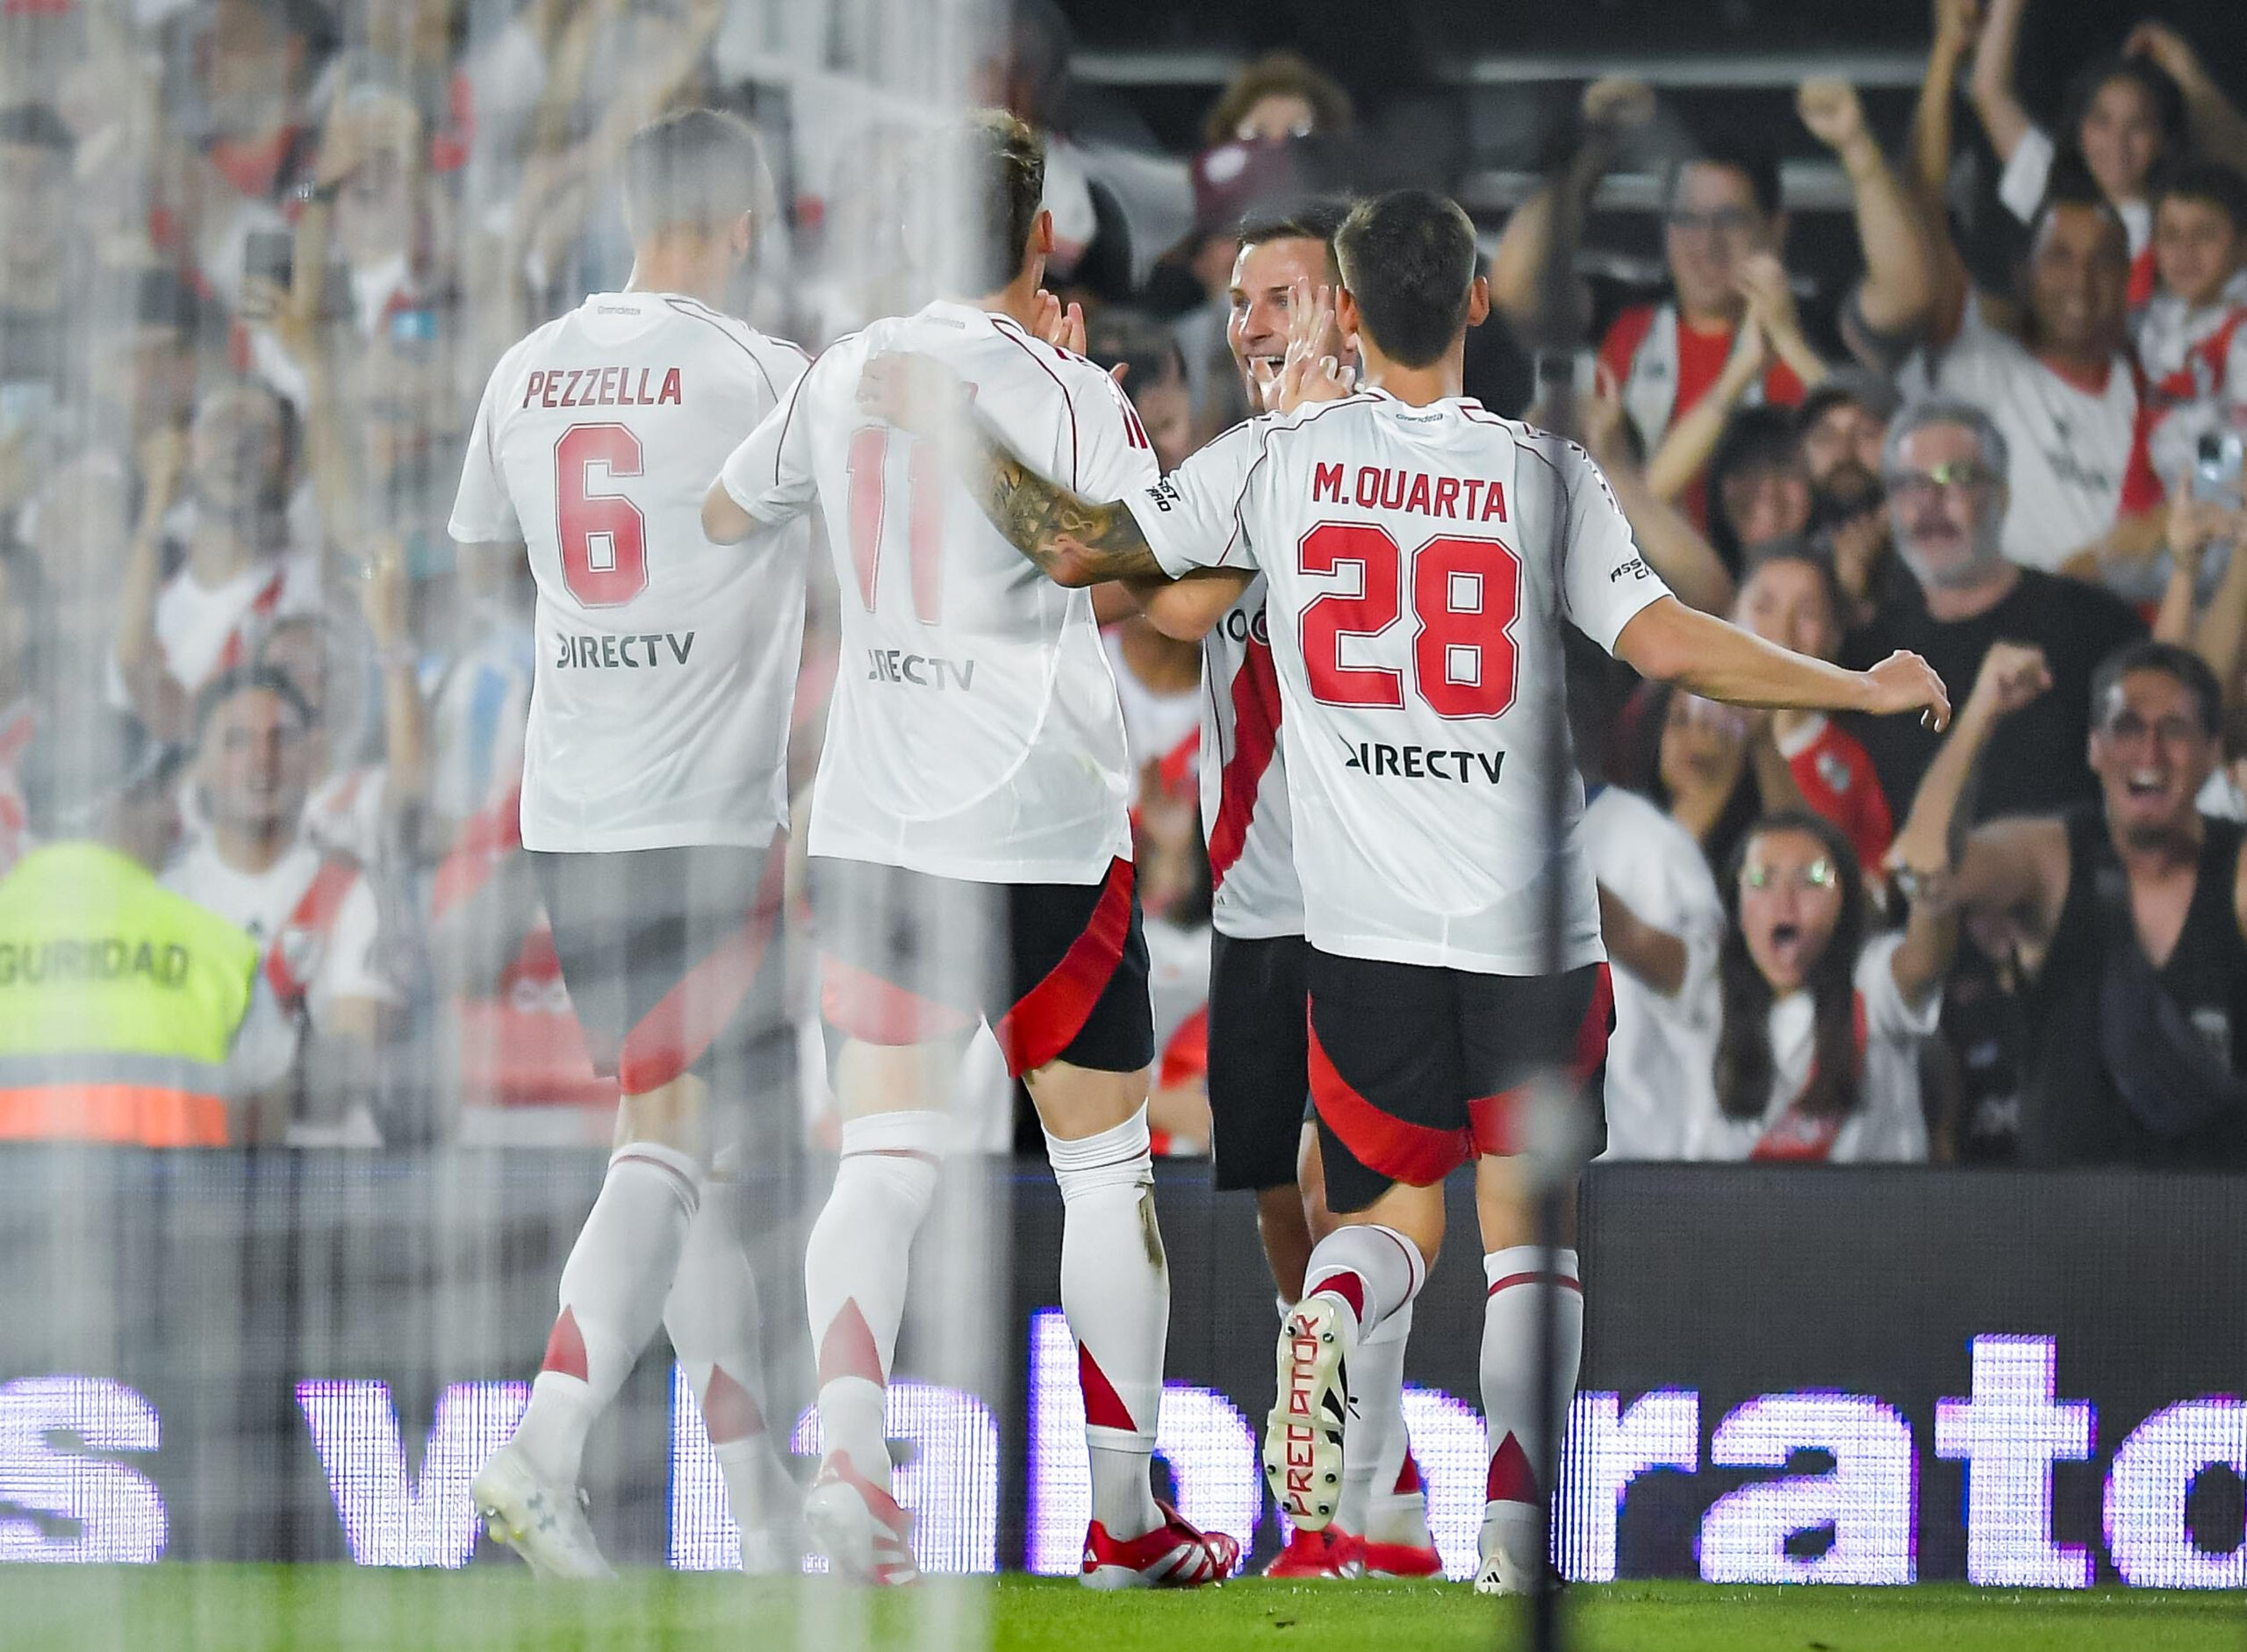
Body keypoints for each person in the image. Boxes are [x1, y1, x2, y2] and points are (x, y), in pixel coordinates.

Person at [864, 188, 1949, 1592]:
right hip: (1531, 934)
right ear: (1482, 304)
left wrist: (964, 424)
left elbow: (1085, 554)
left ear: (1351, 314)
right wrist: (1852, 684)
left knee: (1386, 1224)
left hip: (1363, 932)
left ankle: (1330, 1302)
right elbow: (1675, 644)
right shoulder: (1541, 473)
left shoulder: (1279, 456)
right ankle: (1508, 1536)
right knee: (1526, 1248)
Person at [702, 111, 1239, 1591]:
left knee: (877, 1163)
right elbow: (1158, 586)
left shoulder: (841, 373)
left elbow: (719, 508)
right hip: (1047, 831)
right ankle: (1123, 1515)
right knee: (1105, 1174)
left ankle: (854, 1476)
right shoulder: (1074, 397)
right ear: (1042, 237)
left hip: (877, 826)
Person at [448, 109, 811, 1581]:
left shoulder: (527, 367)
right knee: (674, 1140)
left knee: (684, 1150)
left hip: (570, 807)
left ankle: (764, 1508)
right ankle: (541, 1447)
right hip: (704, 815)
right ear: (743, 220)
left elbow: (487, 555)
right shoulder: (761, 374)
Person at [1184, 200, 1440, 1581]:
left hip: (1361, 901)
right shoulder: (1237, 462)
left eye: (1279, 297)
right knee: (1290, 1208)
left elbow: (1161, 608)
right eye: (1238, 300)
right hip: (1248, 896)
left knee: (1363, 1194)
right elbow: (1182, 643)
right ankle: (1371, 1492)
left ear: (1344, 312)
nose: (1253, 324)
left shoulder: (1368, 458)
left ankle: (1341, 1504)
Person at [1890, 639, 2247, 1166]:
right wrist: (1980, 715)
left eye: (2173, 730)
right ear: (2094, 747)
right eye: (2127, 727)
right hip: (2061, 1226)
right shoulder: (2052, 858)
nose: (2149, 753)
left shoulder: (2238, 870)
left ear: (2213, 750)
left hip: (2215, 1226)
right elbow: (1926, 866)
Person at [1842, 399, 2144, 822]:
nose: (1930, 502)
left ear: (2001, 495)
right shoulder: (1866, 652)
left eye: (1956, 477)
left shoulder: (2094, 624)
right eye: (1911, 484)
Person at [0, 710, 292, 1146]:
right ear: (115, 804)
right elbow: (265, 1138)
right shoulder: (221, 956)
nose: (175, 818)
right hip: (171, 1211)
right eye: (161, 795)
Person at [162, 667, 402, 1144]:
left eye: (282, 738)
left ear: (312, 756)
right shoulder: (167, 894)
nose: (262, 760)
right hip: (197, 1167)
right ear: (201, 765)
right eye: (236, 741)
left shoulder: (355, 891)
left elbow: (350, 1064)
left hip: (322, 1174)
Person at [1905, 180, 2155, 576]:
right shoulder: (1977, 372)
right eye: (2059, 257)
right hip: (2003, 627)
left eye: (2102, 261)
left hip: (2127, 629)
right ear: (2025, 273)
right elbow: (1924, 227)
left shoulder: (2155, 389)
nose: (2082, 280)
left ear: (2128, 276)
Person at [1679, 811, 1951, 1161]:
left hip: (1874, 1214)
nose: (1785, 902)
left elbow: (1924, 963)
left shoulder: (1873, 981)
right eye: (1761, 879)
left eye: (1813, 879)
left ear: (1847, 901)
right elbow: (1631, 939)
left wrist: (1930, 893)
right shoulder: (1704, 994)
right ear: (1736, 907)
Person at [1966, 0, 2186, 308]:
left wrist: (2184, 66)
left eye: (2137, 125)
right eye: (2101, 121)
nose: (2117, 142)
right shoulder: (2051, 185)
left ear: (2164, 137)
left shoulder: (2187, 218)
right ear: (2079, 129)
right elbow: (1989, 91)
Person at [1735, 547, 1893, 880]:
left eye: (1806, 613)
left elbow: (1873, 893)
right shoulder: (1686, 724)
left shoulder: (1858, 758)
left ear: (1834, 636)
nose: (1782, 633)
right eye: (1764, 608)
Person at [2136, 162, 2247, 499]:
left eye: (2204, 235)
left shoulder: (2240, 333)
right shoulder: (2155, 318)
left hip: (2214, 510)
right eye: (2170, 235)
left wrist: (2194, 478)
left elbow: (2237, 458)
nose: (2184, 251)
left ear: (2242, 244)